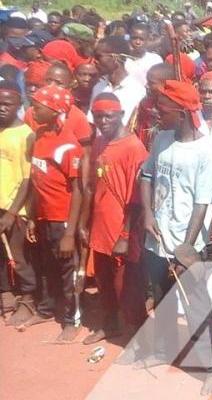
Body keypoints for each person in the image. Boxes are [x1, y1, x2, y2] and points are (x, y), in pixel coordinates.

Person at [138, 80, 212, 394]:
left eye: (162, 109)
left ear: (183, 113)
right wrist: (147, 214)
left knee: (196, 305)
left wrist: (186, 247)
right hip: (155, 236)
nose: (157, 114)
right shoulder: (160, 139)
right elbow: (146, 176)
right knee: (161, 298)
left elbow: (203, 203)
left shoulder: (205, 152)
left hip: (187, 243)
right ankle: (166, 349)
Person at [82, 93, 148, 345]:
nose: (103, 120)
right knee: (104, 283)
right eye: (98, 116)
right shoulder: (99, 143)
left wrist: (124, 235)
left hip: (123, 230)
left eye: (108, 115)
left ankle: (138, 336)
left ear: (121, 114)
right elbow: (93, 187)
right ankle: (109, 326)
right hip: (100, 228)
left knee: (128, 287)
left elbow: (137, 198)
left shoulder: (134, 147)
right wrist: (86, 224)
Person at [26, 84, 84, 342]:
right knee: (47, 266)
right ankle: (48, 308)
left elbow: (78, 190)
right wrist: (31, 215)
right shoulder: (39, 135)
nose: (32, 110)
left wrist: (70, 232)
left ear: (53, 110)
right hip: (43, 216)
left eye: (37, 106)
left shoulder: (68, 145)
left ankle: (73, 319)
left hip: (62, 219)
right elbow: (35, 178)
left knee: (68, 270)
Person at [0, 81, 35, 324]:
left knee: (18, 257)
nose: (2, 108)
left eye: (7, 104)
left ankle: (28, 299)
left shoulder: (25, 135)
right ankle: (7, 294)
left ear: (19, 105)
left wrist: (12, 212)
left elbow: (27, 179)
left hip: (15, 208)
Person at [90, 35, 146, 126]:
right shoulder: (98, 87)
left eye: (98, 57)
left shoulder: (137, 91)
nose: (94, 61)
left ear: (116, 57)